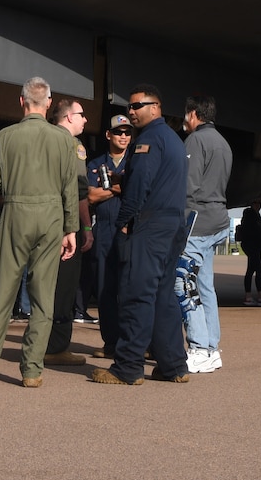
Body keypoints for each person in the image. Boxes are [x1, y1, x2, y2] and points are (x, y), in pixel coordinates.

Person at [0, 79, 80, 388]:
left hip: (17, 213)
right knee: (43, 297)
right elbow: (70, 188)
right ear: (48, 103)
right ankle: (32, 371)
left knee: (2, 291)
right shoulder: (64, 140)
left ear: (21, 101)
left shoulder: (5, 136)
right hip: (53, 216)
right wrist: (71, 229)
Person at [90, 87, 191, 386]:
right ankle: (173, 366)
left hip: (149, 227)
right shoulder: (172, 139)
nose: (132, 111)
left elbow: (140, 187)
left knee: (136, 295)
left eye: (137, 105)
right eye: (129, 106)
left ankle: (128, 367)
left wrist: (124, 222)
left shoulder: (147, 140)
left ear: (156, 107)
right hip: (172, 226)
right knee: (162, 296)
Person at [181, 95, 233, 373]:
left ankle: (199, 346)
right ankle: (211, 347)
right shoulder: (223, 143)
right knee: (205, 286)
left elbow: (187, 186)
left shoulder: (195, 141)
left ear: (192, 114)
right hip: (217, 220)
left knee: (183, 283)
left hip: (197, 223)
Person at [42, 108, 95, 368]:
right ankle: (56, 347)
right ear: (69, 117)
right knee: (64, 287)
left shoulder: (41, 139)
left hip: (38, 224)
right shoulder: (73, 145)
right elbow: (78, 190)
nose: (85, 119)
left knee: (41, 285)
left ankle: (38, 341)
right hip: (64, 227)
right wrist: (85, 228)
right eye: (81, 114)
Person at [88, 115, 133, 352]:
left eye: (127, 132)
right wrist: (120, 188)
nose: (123, 136)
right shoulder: (95, 164)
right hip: (104, 231)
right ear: (108, 135)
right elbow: (91, 196)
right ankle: (111, 343)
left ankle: (130, 342)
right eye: (118, 132)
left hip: (129, 230)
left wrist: (109, 188)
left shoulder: (136, 162)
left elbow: (138, 190)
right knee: (105, 289)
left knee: (128, 289)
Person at [237, 205, 261, 305]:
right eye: (256, 202)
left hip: (252, 246)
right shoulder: (252, 217)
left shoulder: (251, 217)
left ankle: (251, 295)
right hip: (253, 246)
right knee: (256, 270)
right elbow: (255, 232)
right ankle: (257, 296)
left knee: (253, 270)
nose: (259, 205)